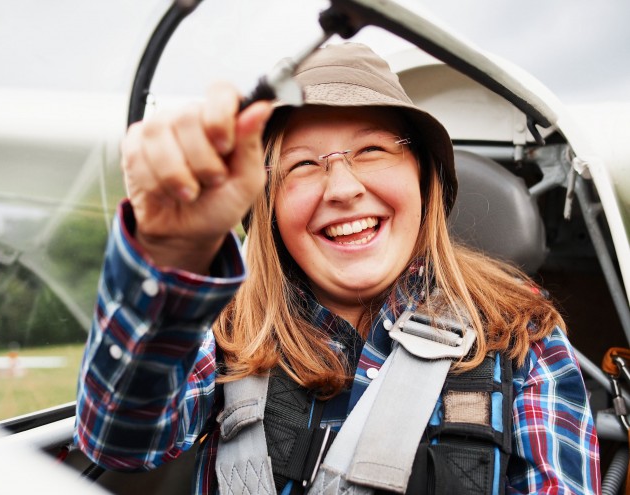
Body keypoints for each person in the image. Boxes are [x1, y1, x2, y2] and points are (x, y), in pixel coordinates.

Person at [75, 43, 600, 494]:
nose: (344, 188)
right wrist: (172, 256)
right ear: (269, 205)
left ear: (424, 178)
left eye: (373, 149)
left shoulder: (520, 335)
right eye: (303, 164)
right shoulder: (222, 331)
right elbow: (119, 437)